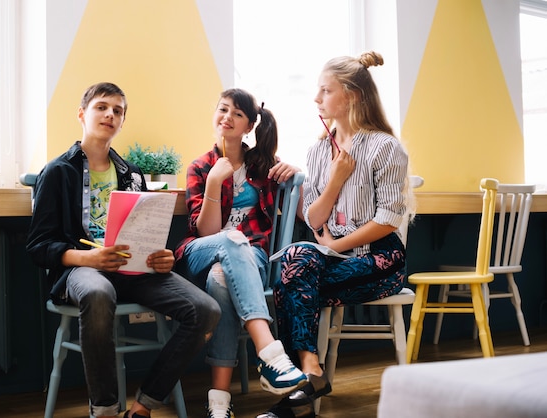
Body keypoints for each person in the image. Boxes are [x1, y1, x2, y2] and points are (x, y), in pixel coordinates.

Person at [25, 82, 221, 418]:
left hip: (133, 269)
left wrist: (161, 256)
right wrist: (87, 257)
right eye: (102, 107)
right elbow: (38, 246)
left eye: (118, 110)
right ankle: (103, 409)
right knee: (99, 293)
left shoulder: (132, 175)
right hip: (82, 269)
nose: (110, 115)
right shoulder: (58, 172)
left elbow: (144, 235)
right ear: (82, 114)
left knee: (206, 309)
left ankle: (143, 407)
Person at [257, 51, 410, 418]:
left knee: (291, 286)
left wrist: (334, 245)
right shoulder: (318, 150)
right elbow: (313, 216)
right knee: (297, 259)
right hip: (332, 256)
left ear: (352, 95)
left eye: (326, 91)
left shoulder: (385, 147)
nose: (316, 98)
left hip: (380, 258)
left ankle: (302, 389)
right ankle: (311, 371)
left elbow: (388, 220)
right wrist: (336, 179)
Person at [174, 88, 307, 418]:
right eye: (222, 110)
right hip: (200, 253)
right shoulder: (201, 167)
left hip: (251, 259)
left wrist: (294, 174)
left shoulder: (263, 167)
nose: (227, 118)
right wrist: (213, 185)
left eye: (237, 114)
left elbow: (305, 209)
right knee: (230, 240)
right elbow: (206, 232)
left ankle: (219, 402)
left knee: (222, 279)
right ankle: (270, 354)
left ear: (249, 126)